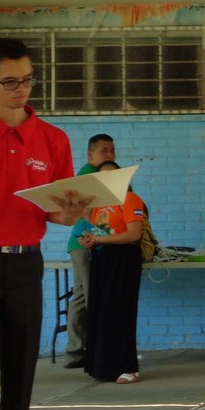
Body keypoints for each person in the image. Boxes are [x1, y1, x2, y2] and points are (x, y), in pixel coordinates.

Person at [0, 37, 91, 410]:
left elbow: (59, 215)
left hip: (22, 261)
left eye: (28, 79)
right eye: (10, 81)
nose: (21, 89)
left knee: (19, 370)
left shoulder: (52, 140)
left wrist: (72, 212)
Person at [77, 161, 146, 385]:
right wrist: (90, 239)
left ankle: (128, 367)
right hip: (102, 258)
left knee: (120, 312)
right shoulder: (99, 205)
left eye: (112, 176)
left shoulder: (131, 199)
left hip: (123, 259)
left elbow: (133, 234)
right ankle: (105, 366)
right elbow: (93, 227)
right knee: (101, 312)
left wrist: (99, 239)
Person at [62, 133, 116, 369]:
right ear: (90, 155)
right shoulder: (89, 177)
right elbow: (89, 214)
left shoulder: (98, 175)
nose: (110, 155)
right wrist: (110, 233)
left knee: (81, 298)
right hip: (86, 243)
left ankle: (75, 352)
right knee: (92, 298)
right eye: (104, 151)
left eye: (112, 150)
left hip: (82, 244)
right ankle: (96, 351)